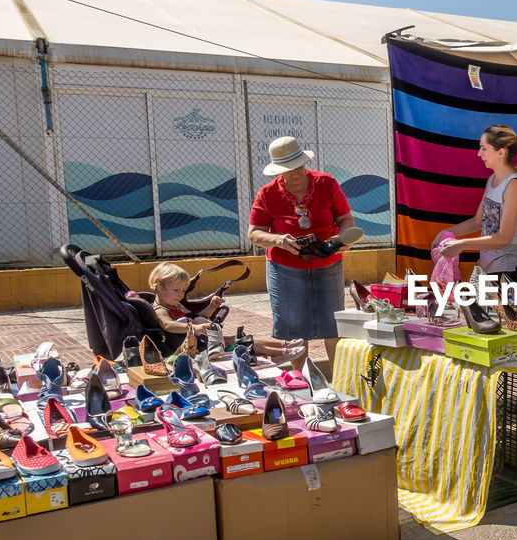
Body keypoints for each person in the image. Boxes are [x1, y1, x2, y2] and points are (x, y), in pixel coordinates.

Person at [247, 136, 360, 368]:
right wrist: (278, 239)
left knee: (333, 322)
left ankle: (339, 379)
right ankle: (301, 380)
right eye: (287, 169)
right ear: (278, 170)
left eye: (297, 166)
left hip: (327, 262)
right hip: (285, 268)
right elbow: (254, 232)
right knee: (294, 326)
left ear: (304, 163)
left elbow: (345, 218)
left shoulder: (326, 183)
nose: (294, 173)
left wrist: (343, 239)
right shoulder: (267, 193)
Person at [432, 124, 517, 284]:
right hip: (487, 268)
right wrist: (446, 232)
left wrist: (461, 244)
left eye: (483, 148)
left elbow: (504, 237)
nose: (479, 153)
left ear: (500, 153)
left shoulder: (514, 185)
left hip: (508, 270)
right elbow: (477, 221)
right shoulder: (492, 180)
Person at [147, 262, 302, 362]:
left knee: (243, 338)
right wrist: (193, 328)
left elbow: (197, 317)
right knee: (244, 344)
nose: (181, 295)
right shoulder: (160, 310)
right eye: (176, 290)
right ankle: (280, 354)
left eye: (183, 290)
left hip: (205, 338)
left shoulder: (177, 306)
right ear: (159, 288)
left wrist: (212, 307)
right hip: (195, 345)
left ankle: (285, 345)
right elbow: (168, 325)